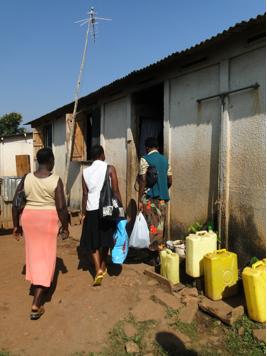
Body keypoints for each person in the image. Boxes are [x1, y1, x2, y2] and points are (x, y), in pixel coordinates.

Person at [12, 148, 69, 320]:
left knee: (35, 254)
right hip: (47, 220)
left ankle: (37, 283)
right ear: (51, 160)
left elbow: (16, 202)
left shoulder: (26, 178)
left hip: (29, 219)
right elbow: (61, 207)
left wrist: (16, 226)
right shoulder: (55, 180)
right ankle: (37, 302)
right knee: (46, 256)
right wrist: (65, 227)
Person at [80, 145, 123, 286]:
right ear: (103, 155)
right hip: (107, 209)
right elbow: (115, 191)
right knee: (106, 238)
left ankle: (98, 269)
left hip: (91, 208)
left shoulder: (85, 172)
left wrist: (83, 213)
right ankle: (103, 266)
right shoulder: (110, 168)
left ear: (91, 157)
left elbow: (85, 195)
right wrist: (121, 210)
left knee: (93, 241)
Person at [138, 137, 172, 266]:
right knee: (160, 225)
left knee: (151, 225)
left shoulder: (145, 159)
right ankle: (159, 254)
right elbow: (170, 180)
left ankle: (152, 257)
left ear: (147, 147)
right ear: (157, 147)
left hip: (150, 197)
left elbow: (142, 180)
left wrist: (140, 199)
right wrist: (163, 189)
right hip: (162, 198)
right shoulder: (165, 160)